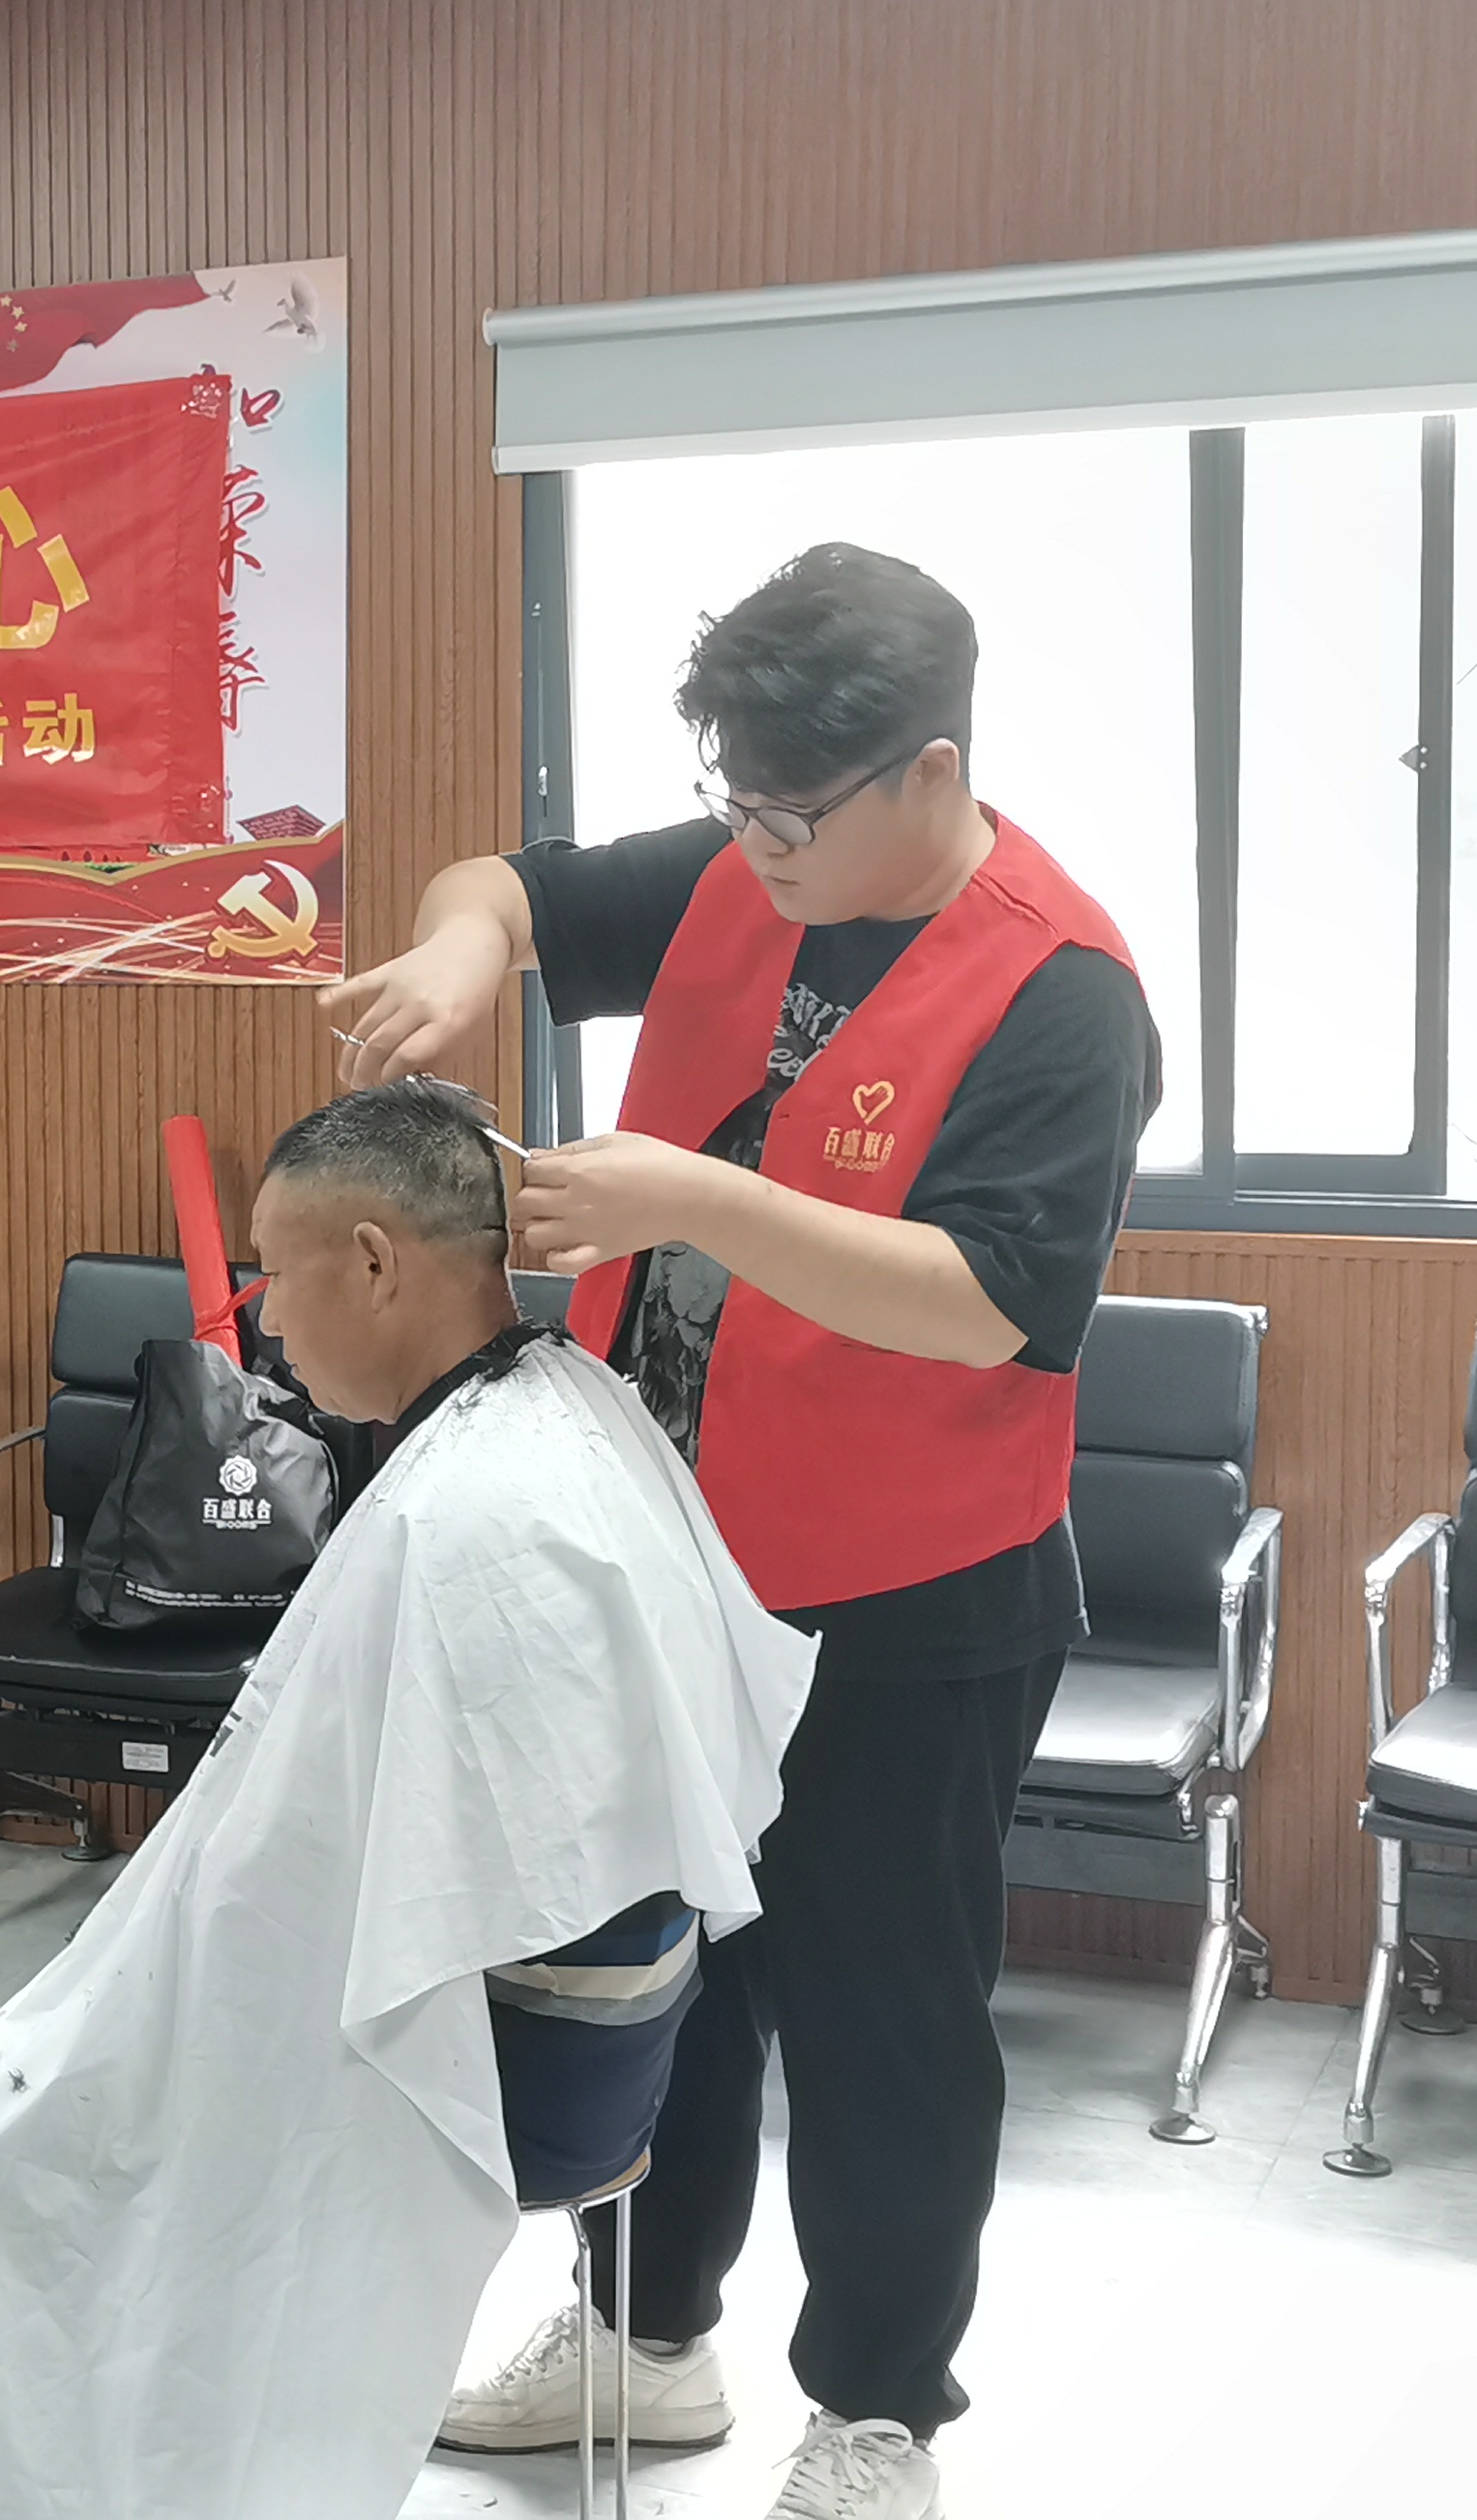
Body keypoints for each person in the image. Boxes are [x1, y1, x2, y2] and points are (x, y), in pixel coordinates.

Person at [332, 543, 1160, 2520]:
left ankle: (880, 2415)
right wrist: (462, 953)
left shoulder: (1062, 989)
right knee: (652, 1974)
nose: (756, 846)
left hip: (909, 1603)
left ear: (929, 769)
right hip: (665, 1562)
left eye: (792, 813)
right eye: (737, 802)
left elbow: (990, 1303)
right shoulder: (744, 868)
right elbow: (505, 886)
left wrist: (688, 1199)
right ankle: (644, 2337)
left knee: (881, 2023)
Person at [0, 1082, 813, 2520]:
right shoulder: (570, 1409)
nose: (263, 1325)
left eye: (272, 1276)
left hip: (495, 2065)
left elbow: (345, 1898)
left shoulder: (471, 1513)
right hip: (594, 2036)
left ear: (374, 1261)